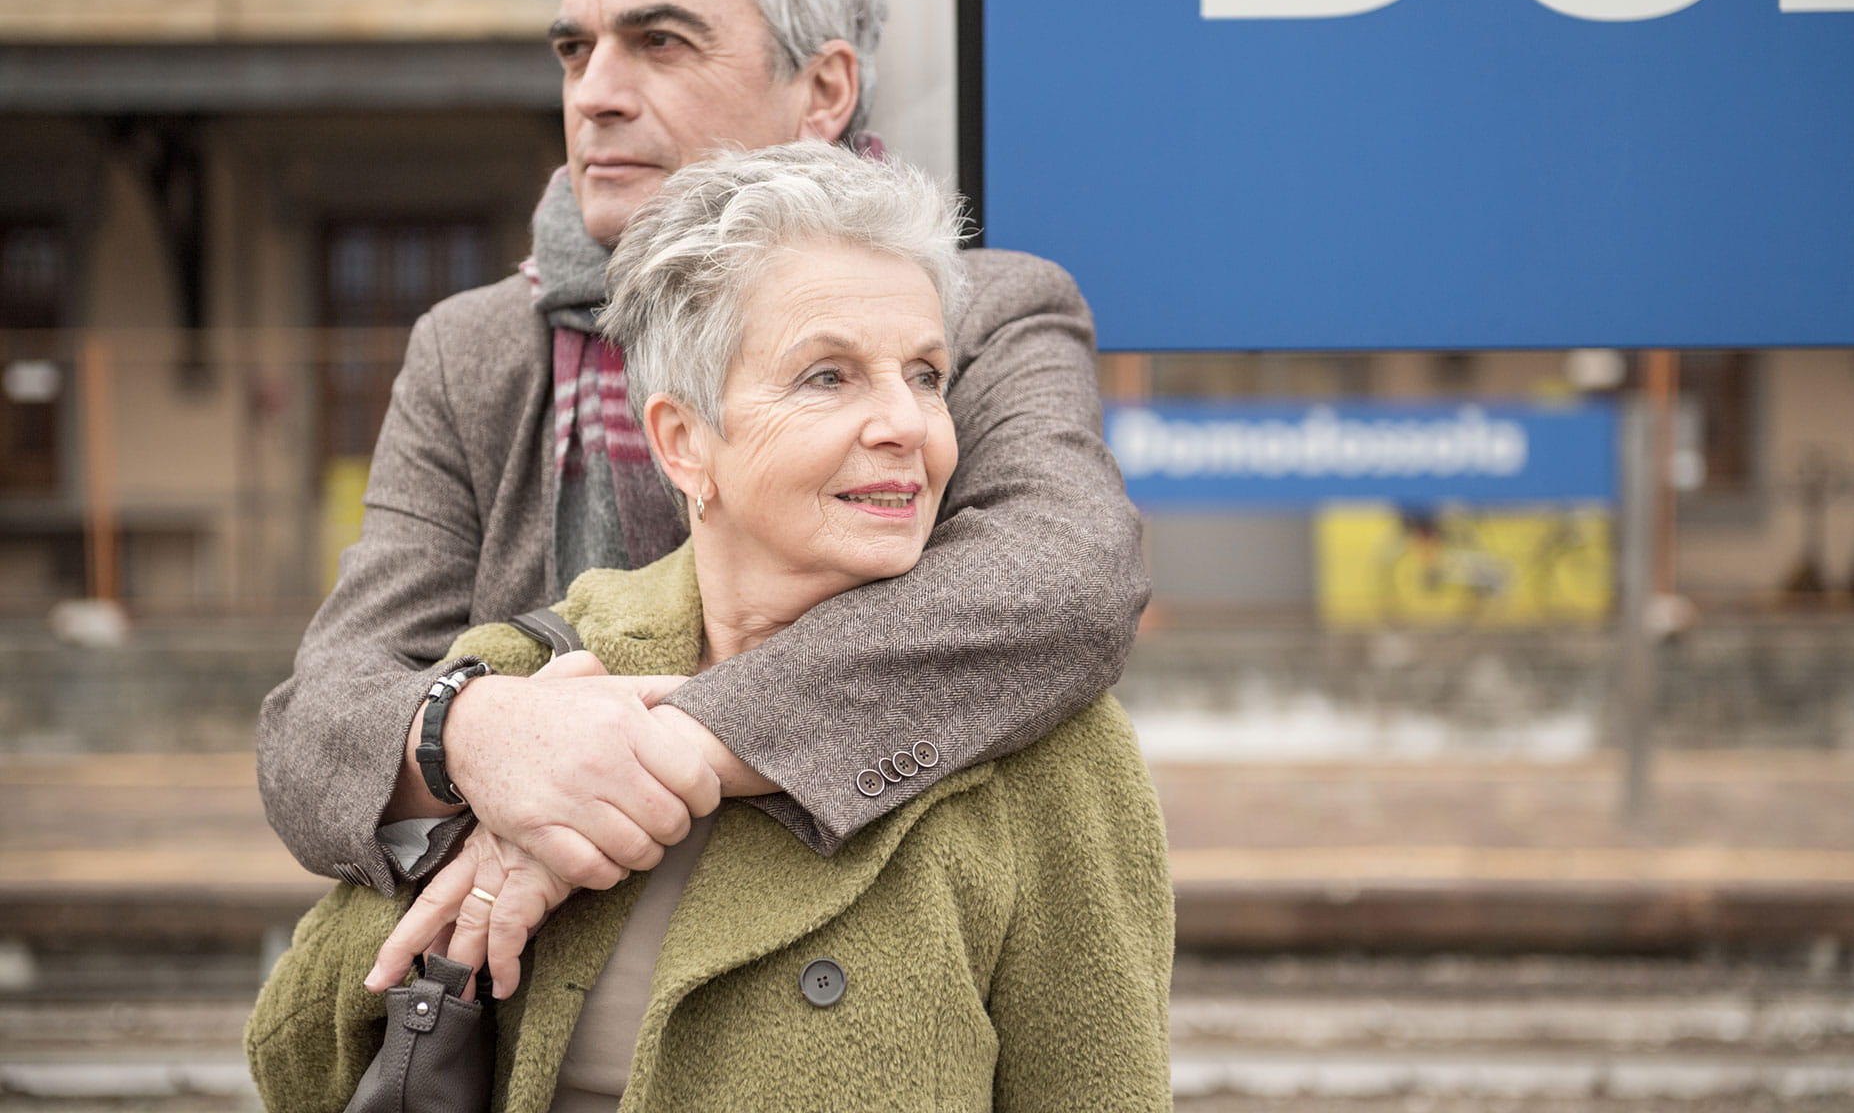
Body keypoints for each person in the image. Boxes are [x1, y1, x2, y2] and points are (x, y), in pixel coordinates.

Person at [254, 0, 1147, 935]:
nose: (596, 95)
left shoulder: (981, 308)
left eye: (659, 42)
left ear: (822, 88)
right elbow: (314, 729)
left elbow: (1064, 581)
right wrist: (479, 736)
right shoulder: (474, 347)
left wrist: (657, 751)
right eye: (575, 51)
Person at [246, 144, 1174, 1112]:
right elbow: (299, 1052)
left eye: (928, 375)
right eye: (828, 376)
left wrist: (640, 771)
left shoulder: (1052, 752)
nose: (908, 421)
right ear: (685, 441)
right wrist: (471, 853)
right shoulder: (530, 683)